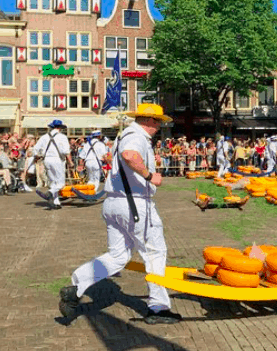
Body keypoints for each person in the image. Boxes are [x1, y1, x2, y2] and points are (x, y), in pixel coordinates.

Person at [59, 104, 182, 324]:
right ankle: (158, 307)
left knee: (117, 256)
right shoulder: (136, 136)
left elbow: (117, 156)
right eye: (159, 122)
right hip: (134, 204)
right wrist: (149, 175)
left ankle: (77, 287)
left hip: (114, 202)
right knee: (155, 253)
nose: (159, 127)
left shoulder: (125, 134)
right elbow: (129, 155)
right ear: (150, 121)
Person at [33, 120, 73, 209]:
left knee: (53, 181)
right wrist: (70, 162)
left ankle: (56, 202)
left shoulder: (44, 137)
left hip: (47, 160)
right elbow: (66, 151)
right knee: (61, 183)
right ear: (60, 128)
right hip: (58, 160)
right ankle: (50, 192)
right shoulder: (62, 137)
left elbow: (36, 149)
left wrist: (37, 157)